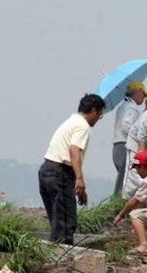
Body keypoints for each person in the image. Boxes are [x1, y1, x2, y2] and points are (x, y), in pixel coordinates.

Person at [38, 94, 105, 244]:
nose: (97, 120)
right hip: (60, 171)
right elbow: (74, 150)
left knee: (57, 219)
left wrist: (79, 184)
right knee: (66, 223)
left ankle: (55, 251)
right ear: (94, 111)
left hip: (47, 170)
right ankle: (62, 258)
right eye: (99, 116)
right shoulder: (83, 126)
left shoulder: (70, 122)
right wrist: (80, 179)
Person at [112, 81, 147, 195]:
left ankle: (121, 201)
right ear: (137, 93)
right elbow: (127, 126)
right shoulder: (131, 108)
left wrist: (146, 109)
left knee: (125, 177)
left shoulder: (124, 106)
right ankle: (121, 202)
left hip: (118, 146)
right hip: (124, 146)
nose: (143, 98)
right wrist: (139, 136)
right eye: (143, 95)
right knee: (126, 178)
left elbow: (136, 123)